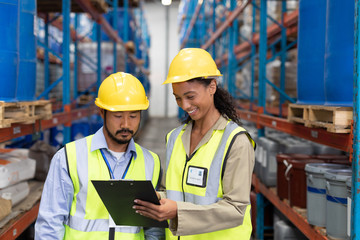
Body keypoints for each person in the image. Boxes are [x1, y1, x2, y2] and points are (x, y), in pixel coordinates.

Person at [133, 48, 256, 239]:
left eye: (190, 96)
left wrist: (177, 212)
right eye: (178, 98)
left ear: (212, 87)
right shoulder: (174, 137)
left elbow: (236, 210)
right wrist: (158, 199)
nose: (185, 105)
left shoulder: (236, 141)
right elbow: (174, 191)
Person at [35, 72, 164, 240]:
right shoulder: (69, 157)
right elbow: (50, 224)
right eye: (118, 116)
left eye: (133, 116)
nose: (126, 124)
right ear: (102, 113)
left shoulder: (151, 162)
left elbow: (153, 230)